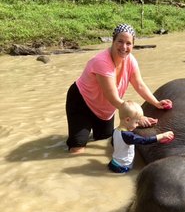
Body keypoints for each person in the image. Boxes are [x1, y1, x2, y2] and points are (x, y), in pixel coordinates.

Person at [65, 23, 172, 154]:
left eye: (128, 43)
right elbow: (113, 98)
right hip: (82, 102)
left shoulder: (130, 60)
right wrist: (138, 117)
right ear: (113, 41)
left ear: (133, 45)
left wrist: (156, 102)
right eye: (120, 41)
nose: (124, 47)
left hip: (104, 107)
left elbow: (139, 84)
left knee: (104, 140)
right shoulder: (102, 62)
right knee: (77, 149)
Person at [108, 101, 174, 174]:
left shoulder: (115, 130)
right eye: (136, 122)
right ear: (127, 120)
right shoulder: (128, 136)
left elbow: (113, 143)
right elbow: (144, 140)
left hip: (114, 162)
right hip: (122, 167)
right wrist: (162, 136)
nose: (137, 125)